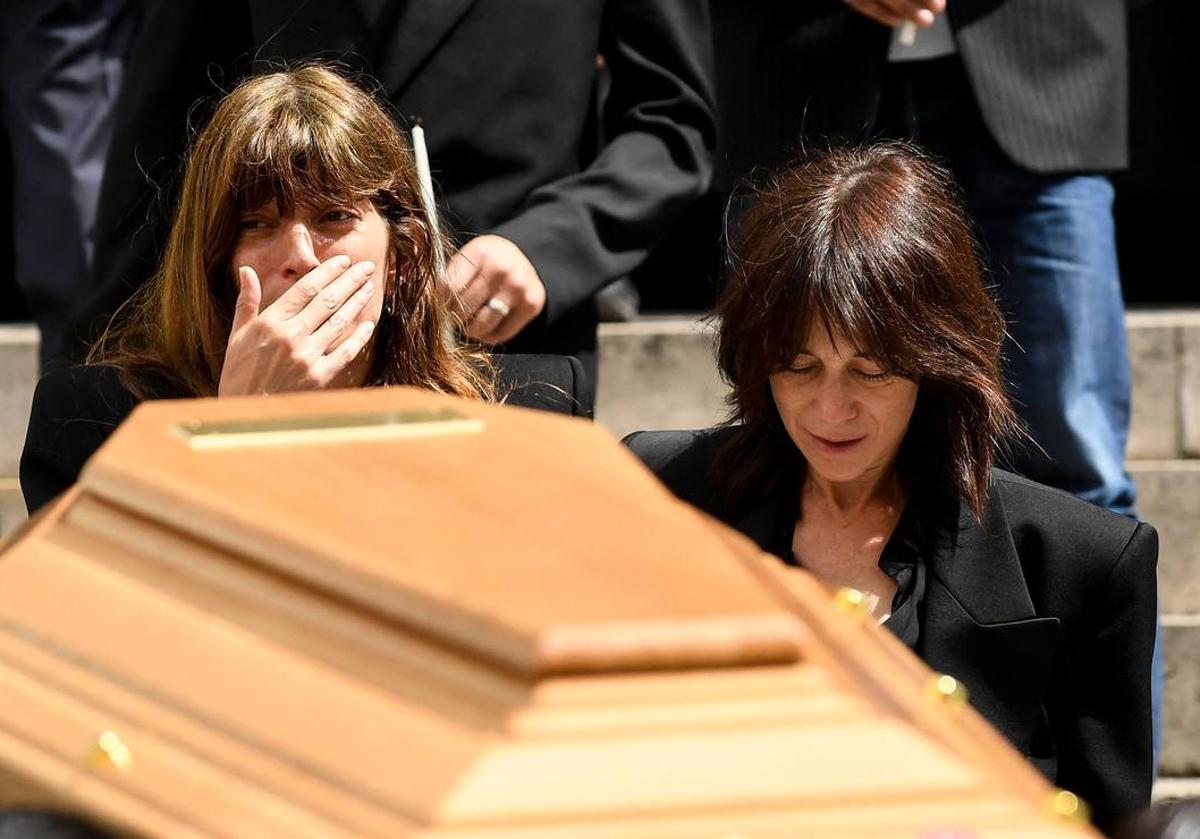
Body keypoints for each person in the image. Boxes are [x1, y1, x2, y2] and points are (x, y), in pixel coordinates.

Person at [624, 145, 1156, 829]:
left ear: (937, 359)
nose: (830, 409)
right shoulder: (659, 493)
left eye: (869, 370)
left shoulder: (1084, 563)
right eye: (799, 366)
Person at [62, 0, 718, 409]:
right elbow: (160, 123)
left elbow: (671, 122)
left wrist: (550, 245)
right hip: (254, 343)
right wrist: (84, 369)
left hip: (504, 354)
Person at [21, 65, 586, 515]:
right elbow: (129, 628)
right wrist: (233, 434)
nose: (300, 256)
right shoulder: (93, 421)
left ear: (404, 256)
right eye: (255, 224)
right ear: (213, 260)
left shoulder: (531, 409)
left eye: (335, 216)